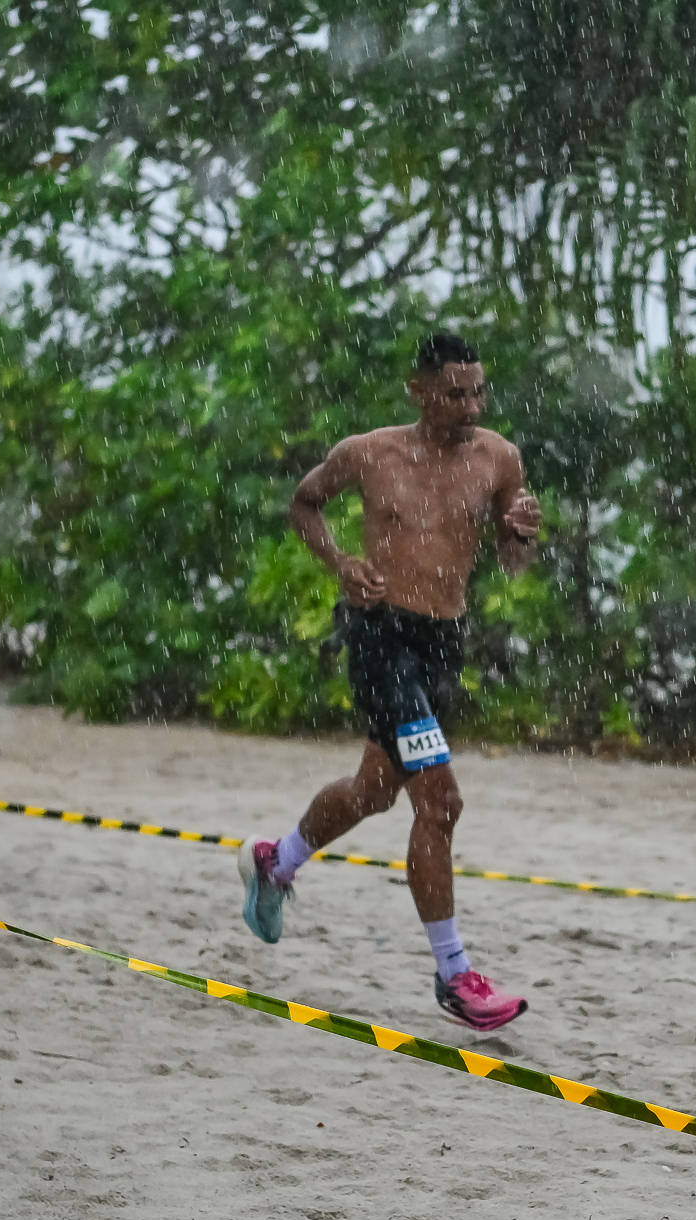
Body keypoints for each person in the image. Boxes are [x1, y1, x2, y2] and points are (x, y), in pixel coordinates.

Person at [238, 333, 540, 1032]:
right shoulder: (369, 453)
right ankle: (455, 974)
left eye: (479, 391)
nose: (471, 406)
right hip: (380, 637)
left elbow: (513, 561)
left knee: (372, 792)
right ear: (419, 391)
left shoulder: (499, 458)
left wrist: (521, 535)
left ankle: (276, 862)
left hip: (443, 643)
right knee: (440, 802)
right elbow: (304, 503)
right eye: (456, 393)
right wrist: (341, 563)